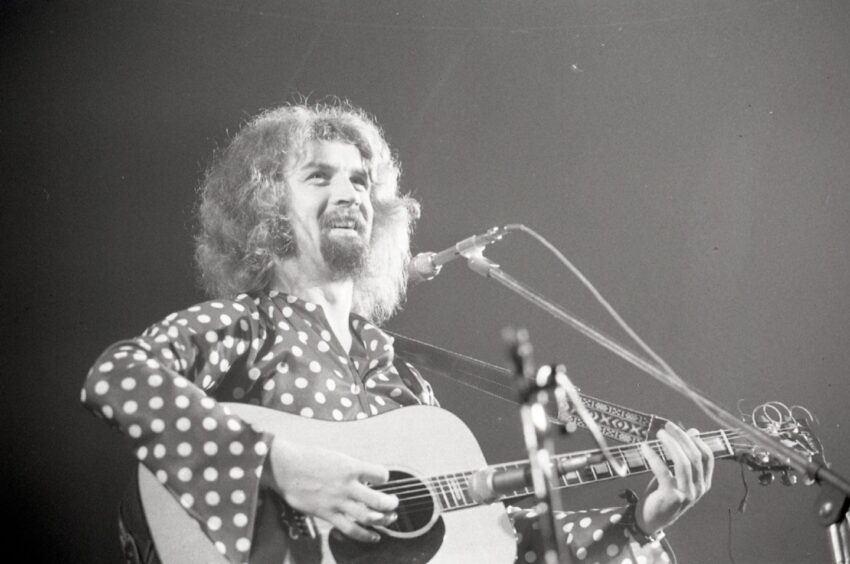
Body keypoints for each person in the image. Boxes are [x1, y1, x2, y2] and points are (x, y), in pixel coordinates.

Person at [81, 101, 713, 564]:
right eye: (320, 177)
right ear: (267, 206)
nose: (351, 192)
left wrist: (642, 521)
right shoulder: (246, 326)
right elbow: (117, 377)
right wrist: (276, 465)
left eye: (361, 179)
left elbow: (498, 539)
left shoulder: (400, 376)